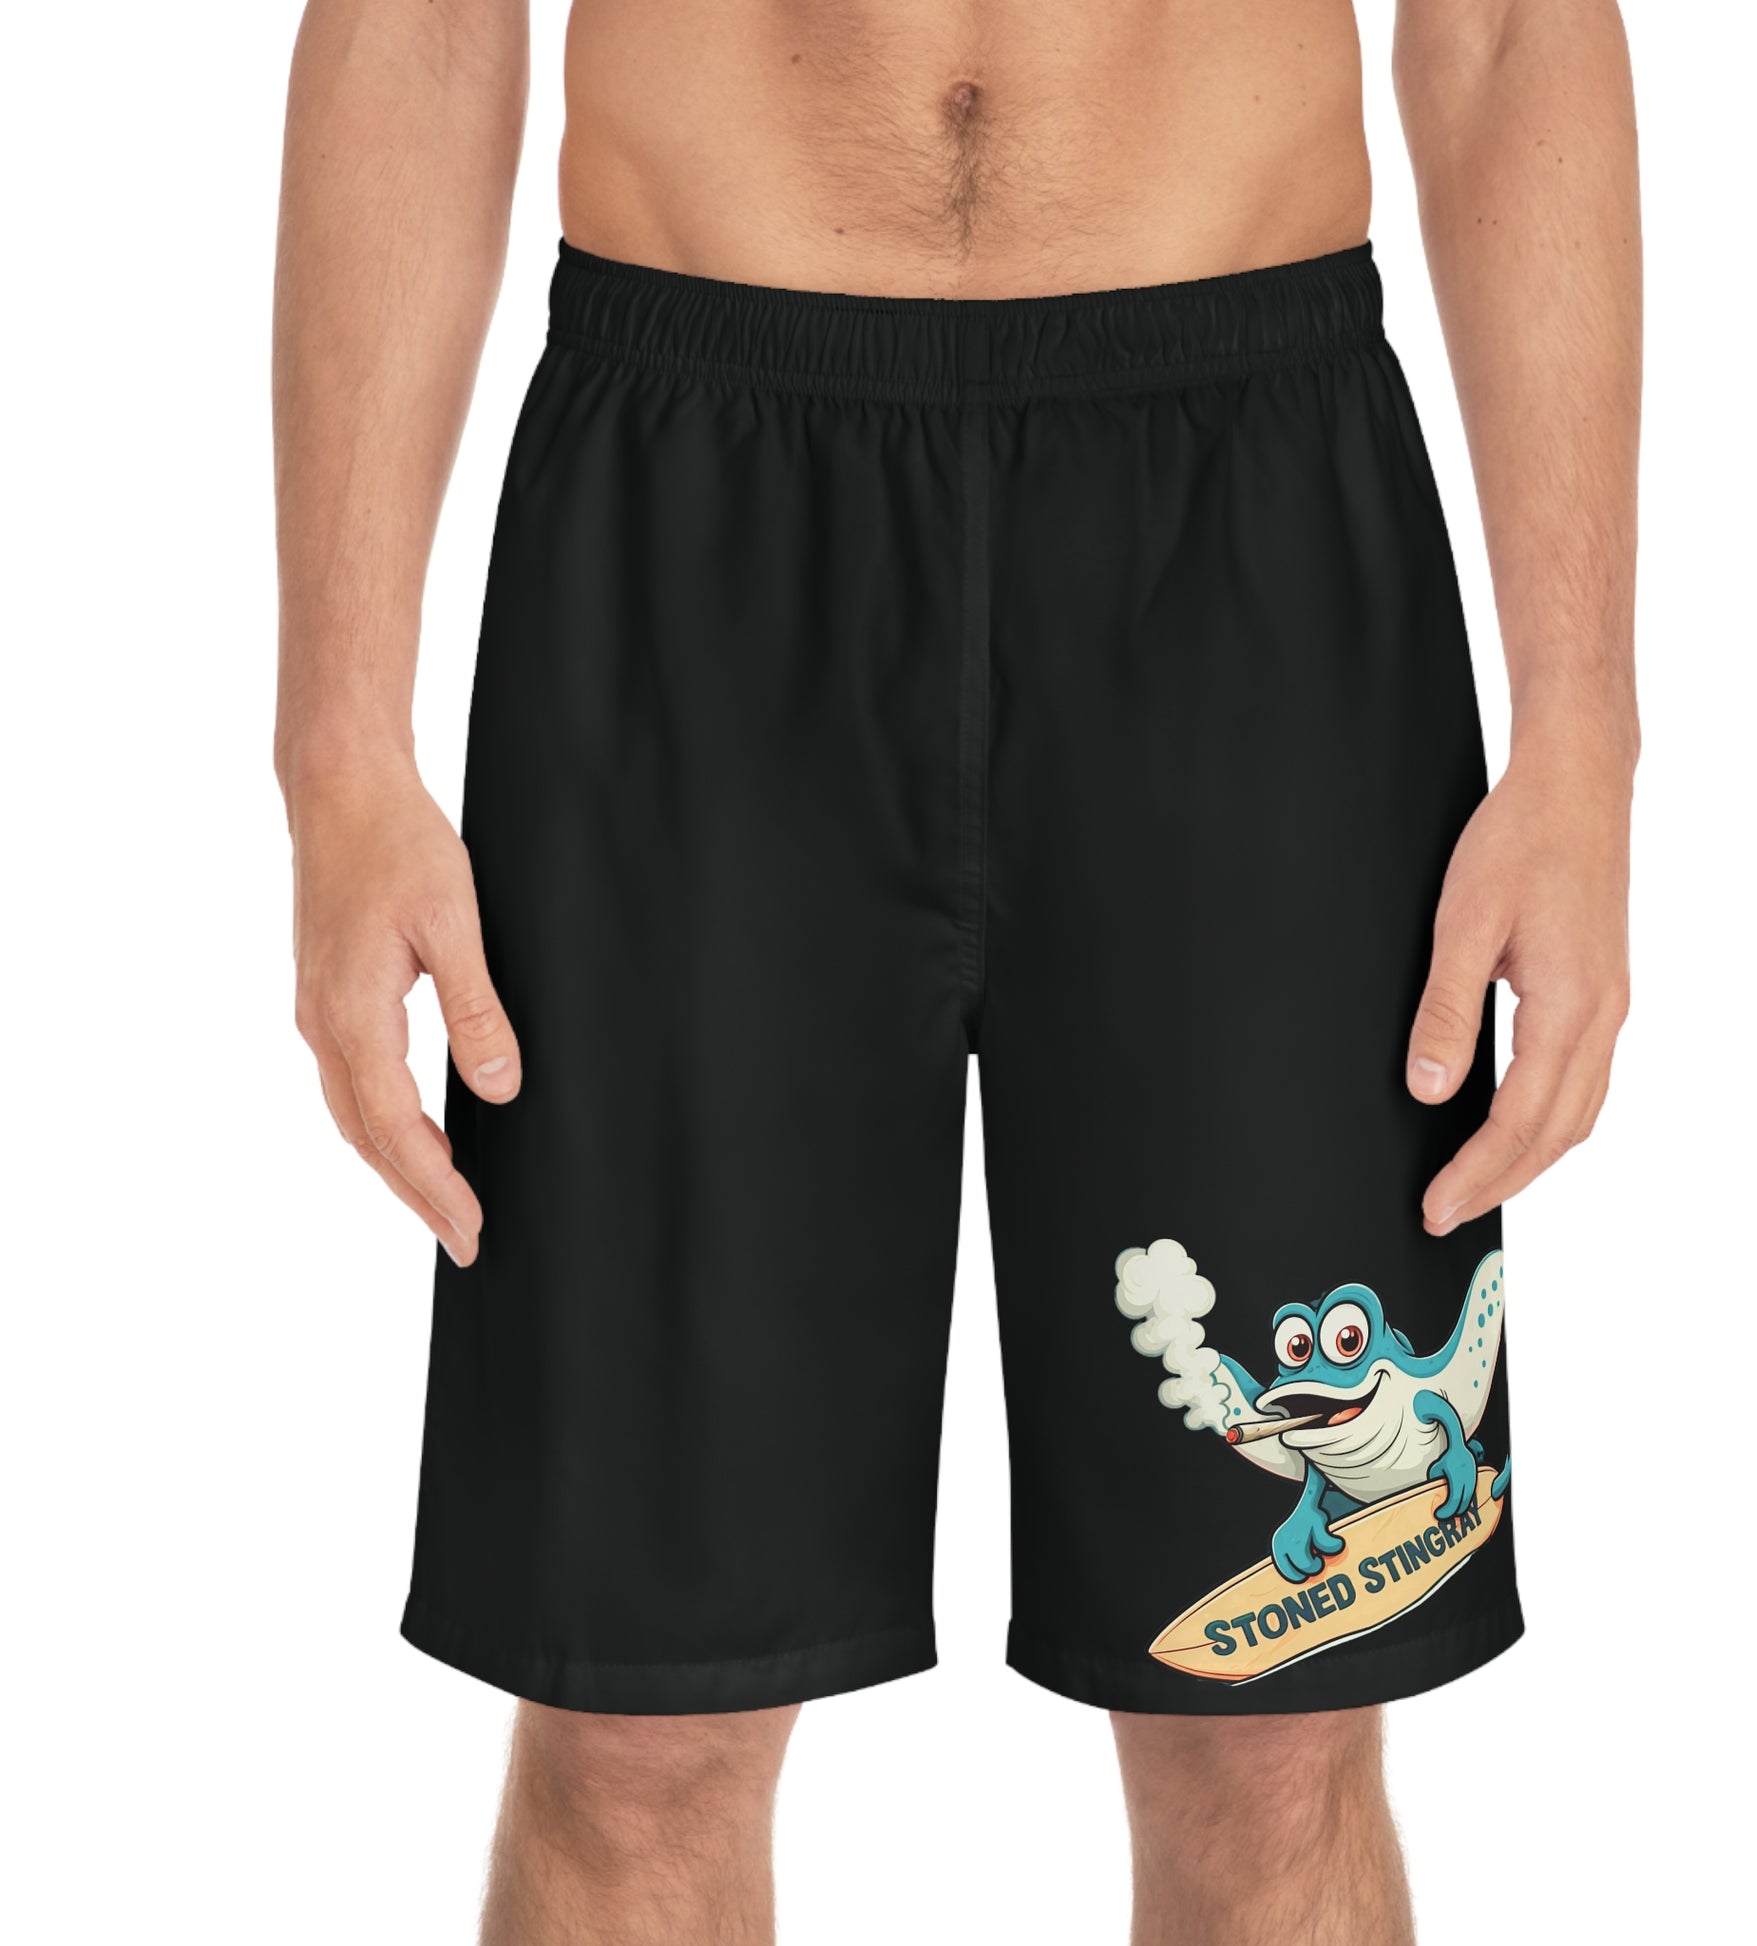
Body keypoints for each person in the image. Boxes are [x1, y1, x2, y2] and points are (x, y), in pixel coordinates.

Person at [273, 0, 1638, 1938]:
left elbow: (1502, 26)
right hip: (694, 529)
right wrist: (336, 739)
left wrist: (1580, 728)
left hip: (1241, 535)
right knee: (635, 1727)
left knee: (1273, 1713)